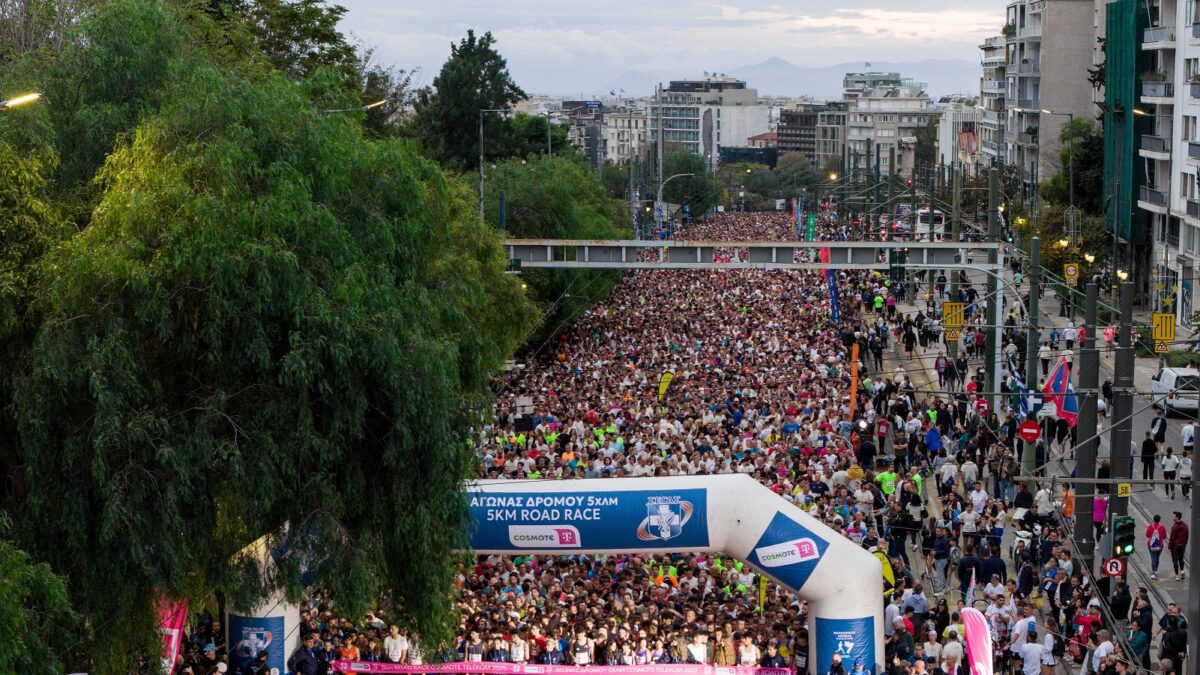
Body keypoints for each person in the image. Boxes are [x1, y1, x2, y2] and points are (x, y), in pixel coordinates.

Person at [1168, 511, 1188, 580]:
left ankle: (1177, 576)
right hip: (1182, 545)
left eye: (1174, 516)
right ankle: (1182, 571)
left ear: (1177, 517)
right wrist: (1184, 543)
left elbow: (1172, 538)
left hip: (1175, 546)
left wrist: (1170, 547)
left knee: (1175, 561)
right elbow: (1187, 535)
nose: (1172, 517)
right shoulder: (1185, 525)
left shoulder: (1174, 527)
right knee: (1181, 559)